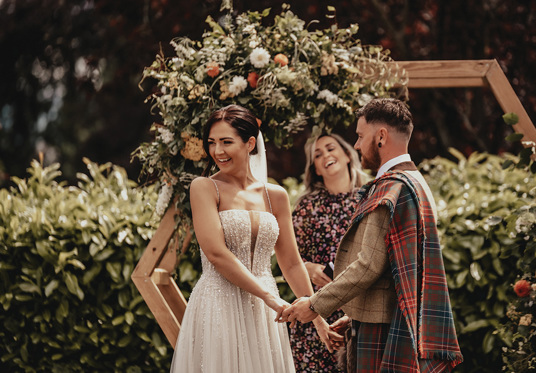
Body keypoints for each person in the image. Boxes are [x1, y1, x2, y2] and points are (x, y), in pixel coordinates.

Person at [279, 98, 463, 372]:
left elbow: (369, 264)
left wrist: (315, 304)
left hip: (384, 331)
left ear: (381, 137)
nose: (355, 145)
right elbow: (394, 267)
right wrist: (355, 316)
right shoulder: (416, 181)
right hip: (395, 322)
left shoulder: (391, 188)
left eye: (360, 136)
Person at [170, 105, 341, 373]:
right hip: (219, 303)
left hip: (263, 312)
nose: (218, 151)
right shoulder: (204, 187)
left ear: (250, 143)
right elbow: (216, 254)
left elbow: (292, 264)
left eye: (227, 142)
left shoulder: (276, 195)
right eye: (212, 143)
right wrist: (270, 299)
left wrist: (317, 319)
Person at [289, 133, 367, 372]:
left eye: (331, 149)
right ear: (316, 170)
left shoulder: (369, 199)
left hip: (359, 308)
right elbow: (287, 260)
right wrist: (308, 268)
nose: (326, 156)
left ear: (346, 155)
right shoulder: (307, 206)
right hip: (314, 313)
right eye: (318, 155)